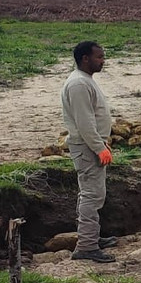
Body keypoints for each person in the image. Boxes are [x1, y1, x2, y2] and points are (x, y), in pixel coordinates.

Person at [60, 40, 118, 263]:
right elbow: (85, 123)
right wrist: (98, 147)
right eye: (99, 57)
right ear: (85, 58)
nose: (103, 61)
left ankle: (91, 237)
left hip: (90, 145)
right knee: (92, 195)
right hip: (85, 147)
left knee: (91, 193)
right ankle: (86, 246)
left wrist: (102, 143)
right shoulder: (78, 85)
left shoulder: (84, 81)